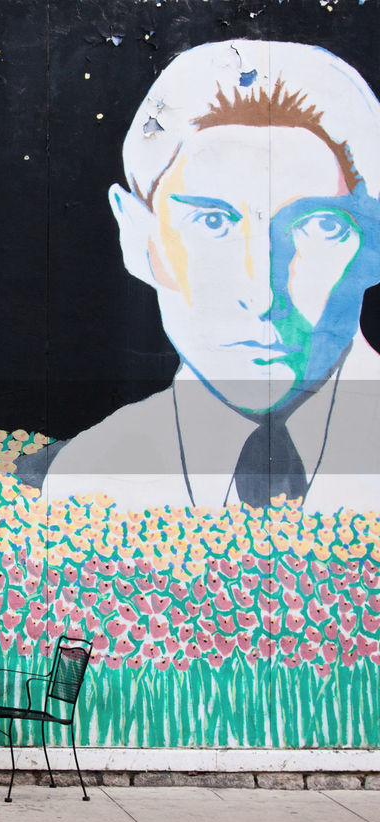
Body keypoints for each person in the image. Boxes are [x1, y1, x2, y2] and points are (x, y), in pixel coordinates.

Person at [43, 40, 380, 512]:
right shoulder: (91, 479)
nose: (262, 292)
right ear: (139, 239)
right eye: (213, 223)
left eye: (319, 226)